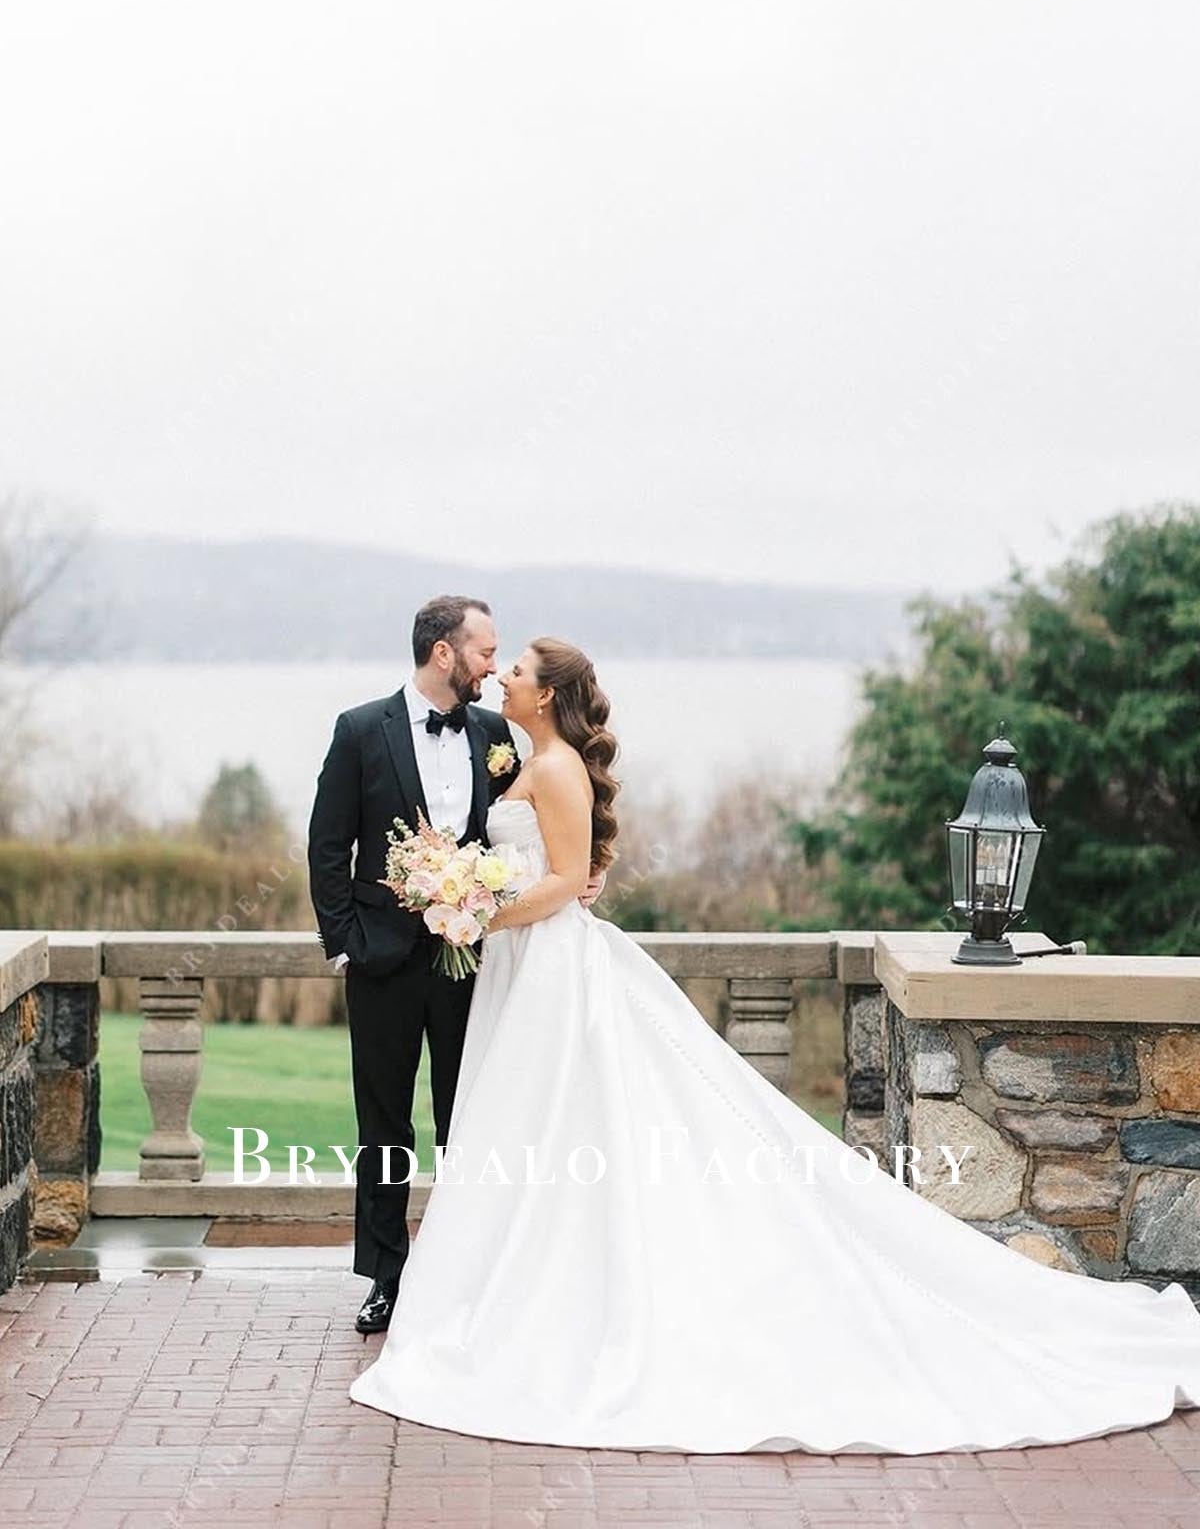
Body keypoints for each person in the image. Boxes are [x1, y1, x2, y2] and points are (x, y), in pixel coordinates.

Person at [349, 636, 1200, 1454]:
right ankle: (525, 1291)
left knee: (563, 1120)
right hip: (517, 969)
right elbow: (563, 868)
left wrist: (479, 912)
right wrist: (466, 893)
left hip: (548, 967)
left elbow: (568, 882)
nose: (503, 679)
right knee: (528, 1132)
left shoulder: (559, 767)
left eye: (520, 670)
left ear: (548, 695)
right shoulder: (526, 757)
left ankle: (566, 1300)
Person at [307, 596, 600, 1336]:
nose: (493, 667)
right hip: (380, 960)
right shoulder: (359, 731)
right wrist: (343, 940)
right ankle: (384, 1277)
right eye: (482, 652)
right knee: (383, 1123)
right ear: (444, 652)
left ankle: (461, 1272)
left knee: (469, 1117)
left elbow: (534, 836)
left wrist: (583, 873)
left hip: (472, 961)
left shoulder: (497, 734)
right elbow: (327, 844)